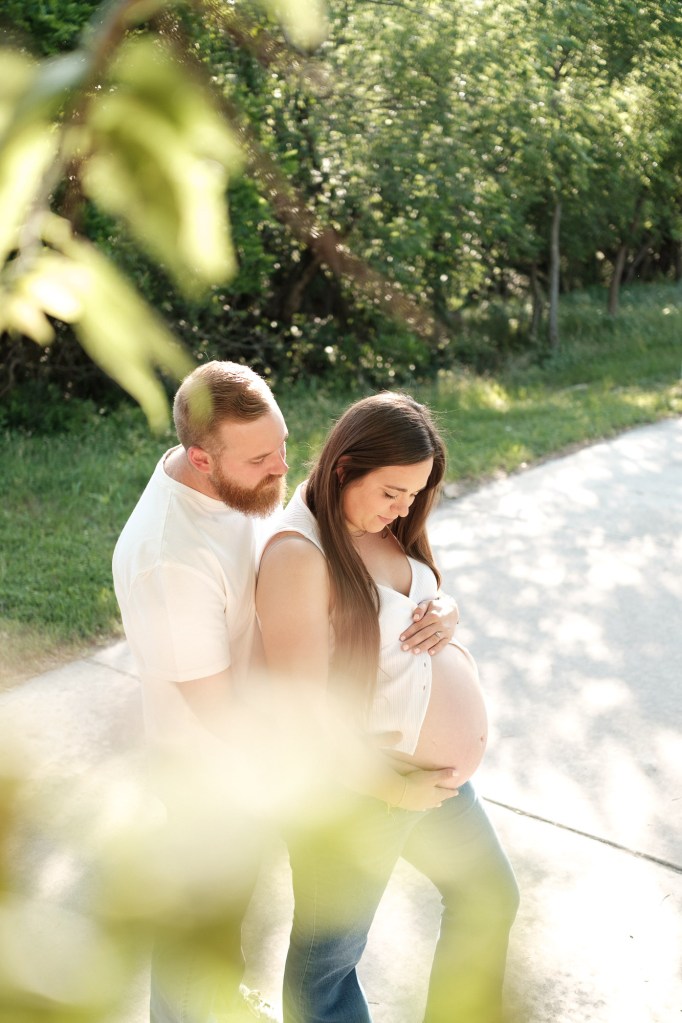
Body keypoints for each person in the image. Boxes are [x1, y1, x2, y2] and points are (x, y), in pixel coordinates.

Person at [256, 391, 519, 1023]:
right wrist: (386, 790)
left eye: (415, 495)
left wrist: (445, 610)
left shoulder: (382, 527)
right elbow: (297, 706)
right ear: (344, 468)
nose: (403, 508)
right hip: (360, 790)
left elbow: (402, 615)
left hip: (429, 783)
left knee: (488, 897)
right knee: (327, 966)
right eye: (392, 492)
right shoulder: (299, 555)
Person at [112, 360, 288, 1023]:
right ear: (202, 459)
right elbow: (213, 705)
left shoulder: (229, 481)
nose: (278, 466)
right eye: (260, 458)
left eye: (282, 445)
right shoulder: (170, 555)